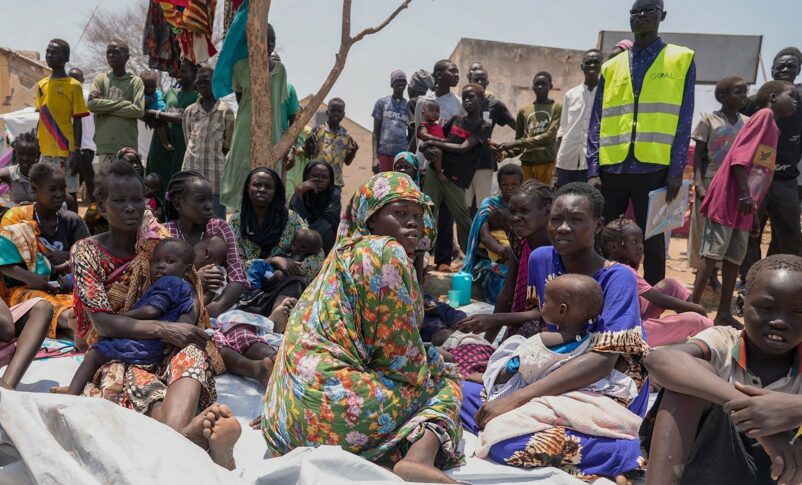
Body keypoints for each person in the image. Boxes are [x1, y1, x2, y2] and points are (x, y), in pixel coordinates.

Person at [262, 172, 464, 484]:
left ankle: (384, 452)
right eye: (399, 214)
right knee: (445, 385)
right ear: (371, 219)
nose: (412, 223)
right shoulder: (385, 251)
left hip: (285, 421)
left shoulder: (341, 253)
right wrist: (437, 365)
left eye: (416, 215)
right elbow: (399, 360)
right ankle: (418, 459)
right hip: (330, 416)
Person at [459, 183, 649, 481]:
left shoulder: (618, 277)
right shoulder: (542, 258)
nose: (562, 228)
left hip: (605, 385)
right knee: (456, 394)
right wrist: (506, 378)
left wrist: (517, 399)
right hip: (554, 374)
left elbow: (604, 361)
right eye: (556, 219)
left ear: (597, 225)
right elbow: (549, 328)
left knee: (507, 445)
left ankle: (622, 454)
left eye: (575, 219)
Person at [70, 160, 241, 470]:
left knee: (191, 353)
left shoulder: (158, 244)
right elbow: (103, 324)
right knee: (126, 376)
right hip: (120, 349)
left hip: (168, 346)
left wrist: (181, 326)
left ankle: (183, 435)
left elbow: (189, 296)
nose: (131, 208)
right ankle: (196, 441)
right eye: (119, 200)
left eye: (137, 199)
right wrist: (164, 329)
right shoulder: (87, 252)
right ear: (100, 205)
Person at [642, 254, 802, 485]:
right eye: (766, 307)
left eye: (798, 312)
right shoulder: (724, 340)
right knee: (688, 381)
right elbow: (661, 360)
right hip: (712, 464)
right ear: (740, 305)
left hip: (782, 471)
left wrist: (793, 408)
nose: (780, 321)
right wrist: (757, 417)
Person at [587, 0, 695, 286]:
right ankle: (601, 291)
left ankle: (653, 303)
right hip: (613, 168)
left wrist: (676, 169)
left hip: (654, 167)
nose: (641, 16)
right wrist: (593, 169)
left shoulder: (680, 59)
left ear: (663, 16)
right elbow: (596, 121)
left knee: (654, 242)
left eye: (649, 10)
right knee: (603, 236)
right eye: (635, 12)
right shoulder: (611, 67)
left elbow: (684, 117)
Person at [692, 81, 798, 328]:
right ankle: (691, 310)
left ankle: (723, 313)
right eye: (790, 96)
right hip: (731, 197)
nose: (795, 101)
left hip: (745, 206)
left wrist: (754, 211)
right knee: (712, 254)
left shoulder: (773, 126)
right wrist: (743, 194)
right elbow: (740, 158)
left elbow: (760, 171)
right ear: (773, 97)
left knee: (734, 257)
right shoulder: (762, 117)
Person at [65, 238, 198, 396]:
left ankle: (71, 394)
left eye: (169, 261)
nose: (160, 265)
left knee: (94, 354)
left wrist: (123, 316)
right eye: (155, 261)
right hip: (159, 349)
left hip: (143, 344)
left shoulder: (168, 282)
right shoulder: (187, 289)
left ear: (188, 270)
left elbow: (152, 310)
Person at [0, 163, 89, 342]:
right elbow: (5, 264)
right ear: (35, 189)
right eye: (52, 189)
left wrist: (68, 257)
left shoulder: (72, 221)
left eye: (62, 189)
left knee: (83, 301)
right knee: (42, 302)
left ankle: (80, 332)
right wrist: (37, 281)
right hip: (22, 287)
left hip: (65, 286)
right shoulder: (16, 216)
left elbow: (88, 258)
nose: (59, 195)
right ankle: (74, 324)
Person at [740, 47, 802, 285]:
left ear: (798, 71)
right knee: (749, 233)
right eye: (781, 65)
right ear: (773, 69)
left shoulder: (800, 102)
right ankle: (750, 281)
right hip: (755, 182)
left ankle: (782, 281)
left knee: (788, 235)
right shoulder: (754, 102)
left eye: (792, 66)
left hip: (786, 182)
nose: (786, 69)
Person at [602, 217, 713, 346]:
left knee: (671, 285)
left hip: (630, 320)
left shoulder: (612, 265)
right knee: (696, 320)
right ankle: (707, 336)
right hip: (627, 335)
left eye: (641, 241)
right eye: (634, 242)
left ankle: (692, 332)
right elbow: (659, 300)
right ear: (614, 247)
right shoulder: (624, 270)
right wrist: (696, 308)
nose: (640, 247)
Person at [217, 22, 291, 210]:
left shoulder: (280, 70)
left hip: (271, 130)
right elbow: (241, 99)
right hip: (245, 128)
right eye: (266, 39)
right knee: (242, 166)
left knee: (268, 174)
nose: (270, 43)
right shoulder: (240, 67)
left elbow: (279, 103)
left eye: (273, 40)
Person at [230, 168, 324, 310]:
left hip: (282, 284)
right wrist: (273, 261)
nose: (262, 189)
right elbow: (233, 263)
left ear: (276, 192)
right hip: (247, 288)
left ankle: (277, 317)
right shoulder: (237, 221)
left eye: (268, 187)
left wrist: (284, 271)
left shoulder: (292, 220)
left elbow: (318, 256)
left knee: (294, 283)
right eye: (257, 185)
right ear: (248, 188)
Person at [421, 83, 492, 265]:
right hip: (435, 173)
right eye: (465, 96)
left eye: (472, 96)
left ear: (481, 100)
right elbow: (436, 138)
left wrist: (433, 141)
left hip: (456, 179)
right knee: (427, 213)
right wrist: (426, 146)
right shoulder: (455, 120)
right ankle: (418, 257)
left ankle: (473, 261)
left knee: (463, 221)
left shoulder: (483, 126)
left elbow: (462, 148)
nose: (467, 100)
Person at [689, 77, 749, 289]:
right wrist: (699, 184)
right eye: (738, 93)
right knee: (703, 228)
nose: (744, 97)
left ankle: (716, 272)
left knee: (727, 232)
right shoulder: (708, 121)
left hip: (736, 185)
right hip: (711, 181)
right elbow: (699, 156)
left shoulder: (747, 122)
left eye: (745, 92)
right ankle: (704, 272)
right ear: (722, 97)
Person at [162, 171, 247, 319]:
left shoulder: (219, 227)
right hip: (173, 309)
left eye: (210, 199)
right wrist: (193, 279)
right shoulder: (164, 233)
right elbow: (155, 279)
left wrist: (210, 312)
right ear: (177, 203)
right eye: (200, 200)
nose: (208, 206)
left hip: (217, 309)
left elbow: (238, 277)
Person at [414, 60, 466, 273]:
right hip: (425, 163)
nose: (456, 75)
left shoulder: (459, 102)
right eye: (451, 71)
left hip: (449, 164)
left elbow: (460, 133)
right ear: (438, 75)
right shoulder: (421, 101)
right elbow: (418, 131)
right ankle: (421, 257)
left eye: (457, 72)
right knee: (425, 212)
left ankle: (443, 258)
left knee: (447, 214)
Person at [461, 164, 523, 304]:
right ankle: (501, 310)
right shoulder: (490, 204)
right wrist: (502, 250)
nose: (509, 187)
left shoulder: (525, 206)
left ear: (521, 184)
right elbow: (484, 234)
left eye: (514, 184)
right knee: (500, 276)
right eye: (505, 184)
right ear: (499, 185)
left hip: (519, 257)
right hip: (490, 259)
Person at [36, 39, 88, 204]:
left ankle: (73, 228)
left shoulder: (74, 86)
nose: (50, 55)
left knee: (69, 193)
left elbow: (78, 121)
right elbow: (41, 118)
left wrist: (77, 152)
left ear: (66, 57)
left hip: (66, 150)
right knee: (46, 192)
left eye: (55, 52)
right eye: (48, 51)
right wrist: (37, 146)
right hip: (45, 150)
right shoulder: (41, 85)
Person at [182, 66, 235, 220]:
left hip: (215, 176)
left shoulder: (226, 112)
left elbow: (227, 144)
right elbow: (188, 140)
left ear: (215, 83)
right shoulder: (190, 111)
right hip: (192, 172)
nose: (203, 85)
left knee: (216, 220)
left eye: (207, 82)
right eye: (199, 83)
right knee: (191, 217)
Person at [145, 59, 199, 197]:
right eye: (178, 71)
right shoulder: (170, 93)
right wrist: (151, 116)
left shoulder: (197, 97)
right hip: (160, 143)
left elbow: (185, 118)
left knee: (178, 181)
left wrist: (158, 114)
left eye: (184, 71)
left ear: (194, 74)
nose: (179, 74)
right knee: (157, 180)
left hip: (181, 144)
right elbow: (153, 108)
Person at [87, 39, 145, 167]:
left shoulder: (135, 81)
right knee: (106, 184)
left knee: (126, 184)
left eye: (116, 52)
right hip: (105, 145)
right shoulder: (100, 79)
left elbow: (138, 110)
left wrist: (104, 104)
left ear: (127, 57)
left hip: (127, 147)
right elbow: (92, 104)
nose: (111, 55)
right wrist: (124, 103)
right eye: (108, 52)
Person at [499, 72, 562, 185]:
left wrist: (515, 143)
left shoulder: (556, 108)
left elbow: (549, 136)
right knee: (526, 197)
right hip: (527, 164)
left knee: (545, 196)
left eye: (543, 84)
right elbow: (519, 145)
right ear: (532, 87)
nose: (540, 87)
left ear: (550, 86)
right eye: (537, 84)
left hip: (546, 162)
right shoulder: (524, 111)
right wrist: (505, 154)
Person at [466, 68, 516, 209]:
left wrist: (508, 149)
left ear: (488, 82)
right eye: (476, 79)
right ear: (470, 81)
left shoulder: (495, 106)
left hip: (485, 163)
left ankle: (483, 232)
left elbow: (518, 128)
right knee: (464, 208)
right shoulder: (462, 103)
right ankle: (466, 232)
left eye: (483, 79)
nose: (480, 82)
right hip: (464, 164)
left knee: (484, 206)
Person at [555, 50, 602, 187]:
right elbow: (562, 132)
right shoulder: (571, 94)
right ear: (582, 67)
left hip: (591, 165)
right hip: (566, 161)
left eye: (596, 62)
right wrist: (554, 171)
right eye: (588, 62)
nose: (592, 65)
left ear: (601, 66)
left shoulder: (607, 95)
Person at [304, 98, 358, 192]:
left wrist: (353, 152)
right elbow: (307, 155)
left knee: (333, 207)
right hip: (316, 180)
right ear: (327, 112)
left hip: (335, 182)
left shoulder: (346, 136)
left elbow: (347, 162)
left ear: (343, 115)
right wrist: (308, 143)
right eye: (333, 110)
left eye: (339, 111)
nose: (336, 113)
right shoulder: (317, 131)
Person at [288, 161, 341, 255]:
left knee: (328, 231)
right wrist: (299, 192)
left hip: (322, 240)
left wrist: (308, 235)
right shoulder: (301, 191)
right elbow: (293, 219)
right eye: (315, 176)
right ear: (307, 177)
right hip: (301, 239)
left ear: (330, 179)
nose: (319, 180)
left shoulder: (334, 194)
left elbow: (330, 219)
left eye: (324, 177)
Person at [246, 229, 322, 289]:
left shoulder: (297, 257)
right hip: (273, 276)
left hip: (273, 274)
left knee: (256, 265)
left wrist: (279, 272)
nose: (292, 243)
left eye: (295, 242)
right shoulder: (300, 257)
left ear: (303, 249)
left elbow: (287, 268)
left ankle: (253, 289)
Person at [67, 67, 97, 203]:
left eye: (76, 79)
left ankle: (99, 208)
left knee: (89, 179)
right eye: (70, 79)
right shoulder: (86, 96)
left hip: (82, 146)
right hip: (85, 145)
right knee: (77, 180)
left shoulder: (82, 96)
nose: (73, 82)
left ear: (82, 81)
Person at [372, 70, 409, 173]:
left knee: (397, 185)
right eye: (398, 80)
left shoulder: (408, 106)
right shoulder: (382, 103)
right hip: (383, 152)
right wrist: (375, 158)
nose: (401, 83)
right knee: (383, 184)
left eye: (403, 81)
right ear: (392, 84)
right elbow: (375, 132)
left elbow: (411, 132)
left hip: (401, 154)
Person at [0, 131, 38, 205]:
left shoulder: (44, 175)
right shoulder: (11, 174)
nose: (25, 158)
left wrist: (31, 205)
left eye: (30, 155)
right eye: (21, 154)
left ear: (37, 155)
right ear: (15, 154)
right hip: (15, 215)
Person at [140, 70, 174, 152]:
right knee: (160, 126)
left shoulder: (158, 92)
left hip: (165, 113)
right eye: (148, 87)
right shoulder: (142, 96)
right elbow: (142, 106)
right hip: (154, 116)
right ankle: (165, 141)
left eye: (154, 86)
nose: (152, 89)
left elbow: (162, 100)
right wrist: (151, 99)